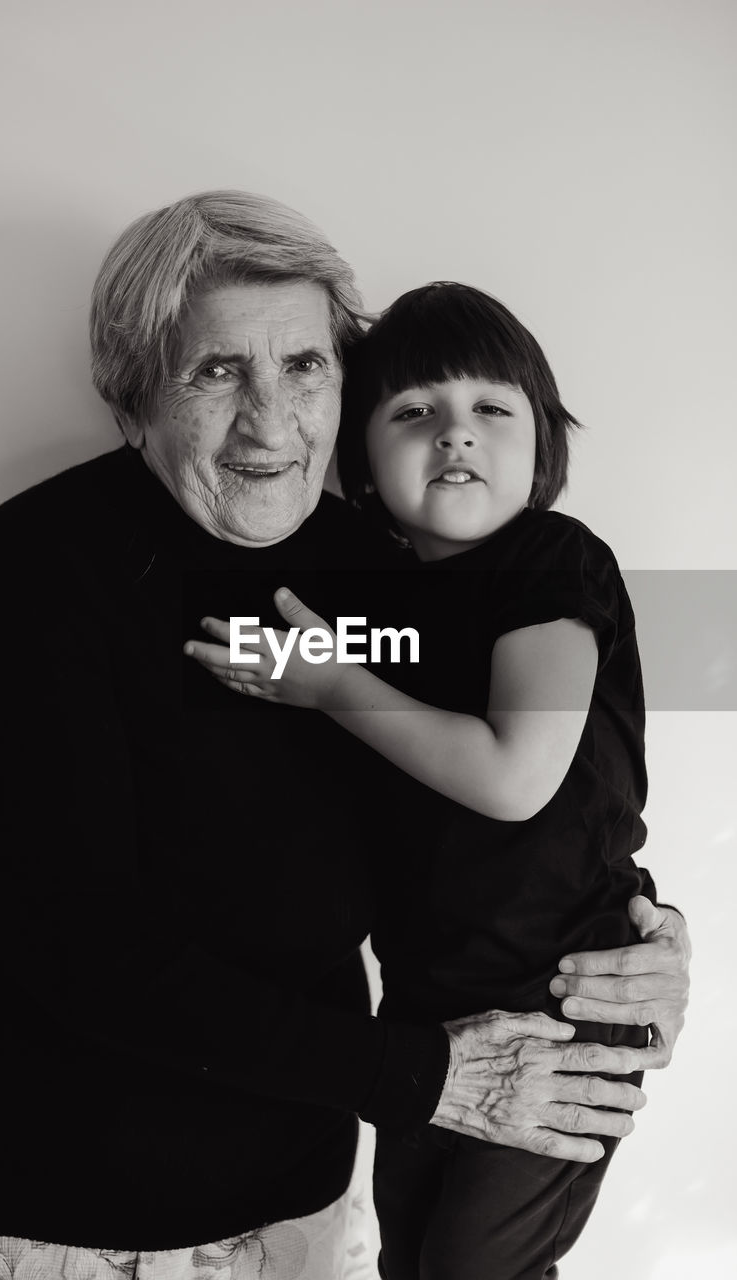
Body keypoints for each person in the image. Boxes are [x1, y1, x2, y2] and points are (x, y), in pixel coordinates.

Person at [0, 194, 689, 1280]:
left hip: (292, 1202)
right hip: (26, 1201)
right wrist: (419, 1076)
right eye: (216, 371)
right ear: (132, 396)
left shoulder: (389, 570)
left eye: (305, 366)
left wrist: (633, 943)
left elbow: (491, 801)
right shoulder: (40, 570)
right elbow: (76, 941)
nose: (271, 421)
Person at [185, 280, 673, 1278]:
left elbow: (516, 776)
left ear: (542, 442)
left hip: (563, 996)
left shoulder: (550, 560)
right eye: (413, 413)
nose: (455, 434)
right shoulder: (376, 600)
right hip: (425, 1014)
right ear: (358, 455)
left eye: (491, 409)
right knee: (409, 1259)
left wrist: (328, 686)